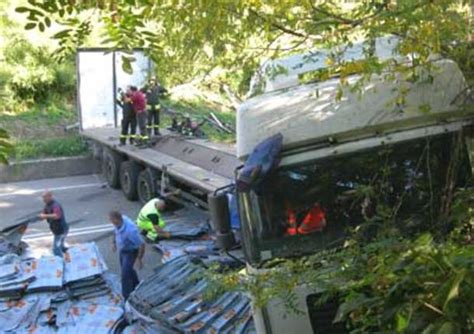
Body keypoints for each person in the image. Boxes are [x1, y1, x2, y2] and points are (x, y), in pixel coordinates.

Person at [109, 211, 145, 300]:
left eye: (112, 221)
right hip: (123, 249)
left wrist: (139, 259)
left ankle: (127, 297)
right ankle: (136, 285)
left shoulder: (131, 231)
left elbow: (141, 244)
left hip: (131, 251)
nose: (111, 222)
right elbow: (115, 230)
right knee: (127, 270)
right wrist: (113, 243)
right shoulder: (118, 223)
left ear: (117, 219)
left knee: (125, 274)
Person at [39, 191, 69, 257]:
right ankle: (69, 255)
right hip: (56, 229)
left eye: (45, 197)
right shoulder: (47, 205)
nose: (43, 199)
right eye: (43, 198)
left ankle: (59, 262)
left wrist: (45, 216)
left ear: (50, 197)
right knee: (61, 246)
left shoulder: (55, 205)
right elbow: (44, 214)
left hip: (61, 229)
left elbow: (57, 215)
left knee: (56, 249)